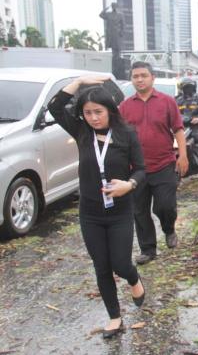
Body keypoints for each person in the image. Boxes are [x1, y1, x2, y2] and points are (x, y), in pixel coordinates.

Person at [47, 75, 146, 338]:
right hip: (91, 213)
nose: (93, 118)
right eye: (87, 113)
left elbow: (141, 170)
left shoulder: (126, 134)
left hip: (120, 211)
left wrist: (130, 185)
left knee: (121, 264)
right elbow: (55, 107)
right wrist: (80, 82)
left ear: (110, 111)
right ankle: (114, 317)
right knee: (102, 266)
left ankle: (134, 279)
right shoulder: (81, 131)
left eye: (98, 112)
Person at [119, 61, 188, 265]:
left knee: (165, 206)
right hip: (136, 169)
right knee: (139, 211)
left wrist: (182, 156)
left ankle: (169, 229)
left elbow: (178, 129)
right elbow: (119, 135)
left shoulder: (167, 101)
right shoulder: (125, 106)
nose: (139, 79)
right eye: (135, 76)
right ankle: (148, 249)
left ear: (152, 78)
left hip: (164, 163)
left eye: (143, 75)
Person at [176, 77, 198, 177]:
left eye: (190, 87)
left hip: (196, 126)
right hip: (181, 126)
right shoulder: (177, 100)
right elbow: (172, 113)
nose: (188, 89)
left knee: (197, 138)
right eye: (186, 87)